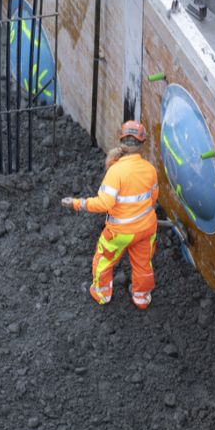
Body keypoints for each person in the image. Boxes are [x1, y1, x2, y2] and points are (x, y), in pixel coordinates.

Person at [61, 121, 159, 309]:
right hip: (147, 228)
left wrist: (77, 203)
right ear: (142, 143)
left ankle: (102, 293)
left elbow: (105, 203)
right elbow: (153, 199)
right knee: (143, 263)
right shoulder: (150, 169)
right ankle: (142, 297)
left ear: (121, 141)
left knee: (103, 259)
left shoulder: (116, 171)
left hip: (120, 232)